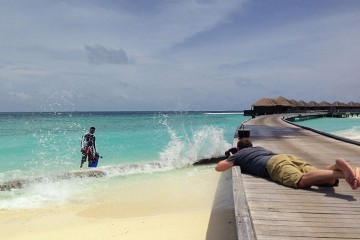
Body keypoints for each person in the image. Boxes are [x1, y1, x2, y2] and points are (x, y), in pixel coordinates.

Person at [215, 138, 360, 190]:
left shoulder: (239, 154)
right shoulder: (259, 148)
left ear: (239, 148)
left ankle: (341, 172)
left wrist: (232, 157)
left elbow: (219, 167)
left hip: (273, 163)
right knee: (321, 177)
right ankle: (341, 169)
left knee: (301, 180)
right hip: (284, 156)